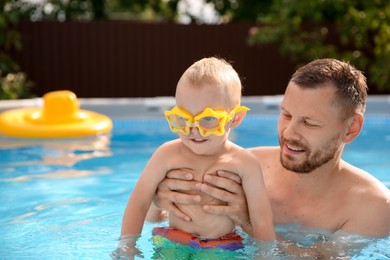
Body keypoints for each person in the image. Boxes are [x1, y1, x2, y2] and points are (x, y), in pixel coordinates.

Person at [150, 58, 390, 255]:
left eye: (309, 123)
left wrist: (250, 224)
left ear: (351, 129)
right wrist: (157, 200)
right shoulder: (245, 165)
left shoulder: (372, 207)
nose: (289, 132)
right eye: (286, 114)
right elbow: (161, 223)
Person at [119, 57, 275, 257]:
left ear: (235, 118)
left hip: (221, 247)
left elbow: (262, 222)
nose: (194, 130)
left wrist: (266, 255)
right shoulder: (166, 154)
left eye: (208, 119)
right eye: (184, 119)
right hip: (173, 239)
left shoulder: (244, 164)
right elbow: (138, 204)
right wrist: (126, 248)